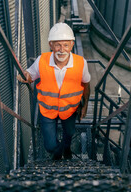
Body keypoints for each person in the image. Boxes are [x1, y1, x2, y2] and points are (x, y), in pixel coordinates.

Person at [17, 22, 91, 160]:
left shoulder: (81, 63)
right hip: (47, 111)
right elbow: (30, 75)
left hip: (69, 110)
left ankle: (66, 150)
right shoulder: (41, 61)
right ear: (51, 45)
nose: (62, 50)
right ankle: (58, 153)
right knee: (50, 146)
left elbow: (86, 84)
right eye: (57, 45)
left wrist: (85, 106)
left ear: (72, 45)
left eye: (66, 45)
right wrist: (25, 76)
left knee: (69, 134)